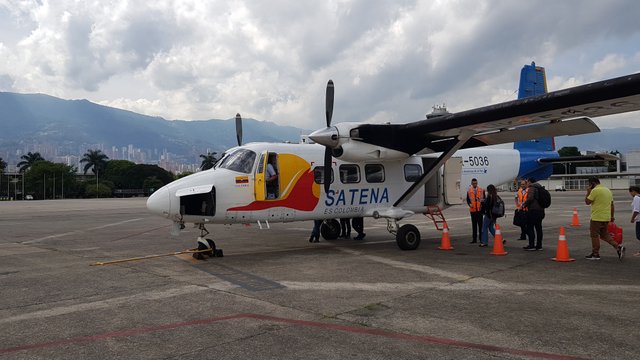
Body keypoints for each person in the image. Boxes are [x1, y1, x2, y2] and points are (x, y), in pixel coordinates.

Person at [585, 177, 624, 260]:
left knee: (594, 235)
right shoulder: (607, 190)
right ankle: (618, 247)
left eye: (589, 184)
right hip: (606, 217)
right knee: (605, 234)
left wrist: (588, 192)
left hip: (597, 217)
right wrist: (612, 216)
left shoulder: (595, 190)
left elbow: (587, 202)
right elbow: (612, 205)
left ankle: (595, 254)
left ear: (592, 183)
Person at [521, 178, 545, 251]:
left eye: (527, 182)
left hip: (533, 211)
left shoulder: (532, 188)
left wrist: (524, 204)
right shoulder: (540, 188)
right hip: (541, 211)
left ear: (529, 182)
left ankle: (531, 245)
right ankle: (539, 245)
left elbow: (530, 198)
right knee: (539, 228)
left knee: (530, 227)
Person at [466, 178, 485, 243]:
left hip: (479, 210)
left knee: (480, 226)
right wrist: (469, 204)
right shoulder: (469, 190)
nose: (475, 184)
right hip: (473, 210)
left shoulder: (481, 190)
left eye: (476, 183)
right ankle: (474, 239)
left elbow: (483, 200)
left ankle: (481, 239)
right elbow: (468, 200)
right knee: (474, 225)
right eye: (474, 183)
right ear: (471, 183)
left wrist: (483, 210)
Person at [629, 186, 640, 256]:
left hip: (639, 220)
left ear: (633, 191)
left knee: (639, 236)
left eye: (630, 192)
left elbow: (636, 210)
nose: (630, 194)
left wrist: (632, 218)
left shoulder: (636, 198)